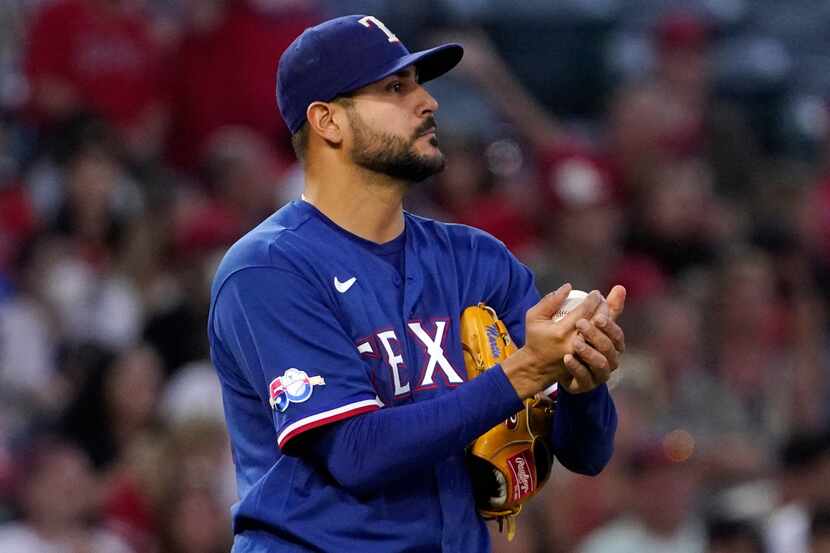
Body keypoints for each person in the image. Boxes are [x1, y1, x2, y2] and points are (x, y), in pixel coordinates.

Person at [208, 14, 626, 552]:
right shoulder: (269, 269)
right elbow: (357, 454)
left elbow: (586, 455)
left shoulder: (475, 259)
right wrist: (523, 371)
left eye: (420, 85)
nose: (427, 103)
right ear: (327, 121)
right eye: (395, 88)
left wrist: (582, 377)